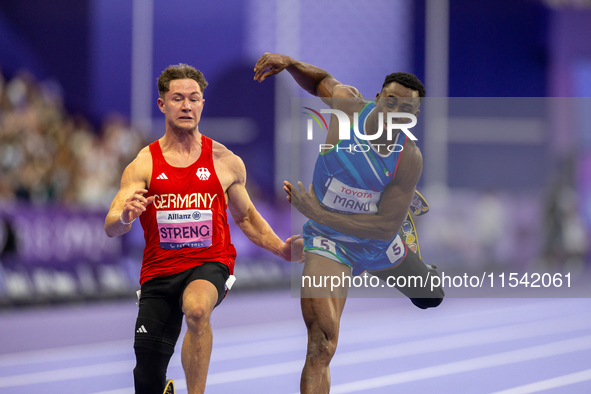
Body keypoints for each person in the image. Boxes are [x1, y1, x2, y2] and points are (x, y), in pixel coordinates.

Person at [105, 63, 303, 394]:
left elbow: (247, 217)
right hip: (159, 271)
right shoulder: (144, 163)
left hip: (209, 262)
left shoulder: (225, 161)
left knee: (197, 310)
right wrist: (125, 217)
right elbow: (111, 225)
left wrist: (281, 249)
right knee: (147, 380)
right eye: (178, 98)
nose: (186, 106)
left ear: (202, 103)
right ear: (162, 104)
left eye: (193, 98)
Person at [254, 53, 444, 393]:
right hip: (330, 243)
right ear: (377, 99)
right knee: (322, 344)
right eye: (391, 102)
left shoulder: (408, 158)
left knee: (430, 296)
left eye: (406, 110)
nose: (395, 112)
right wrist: (291, 64)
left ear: (413, 117)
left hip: (378, 242)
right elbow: (319, 80)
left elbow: (384, 228)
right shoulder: (347, 108)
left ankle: (411, 237)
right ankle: (308, 245)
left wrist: (315, 212)